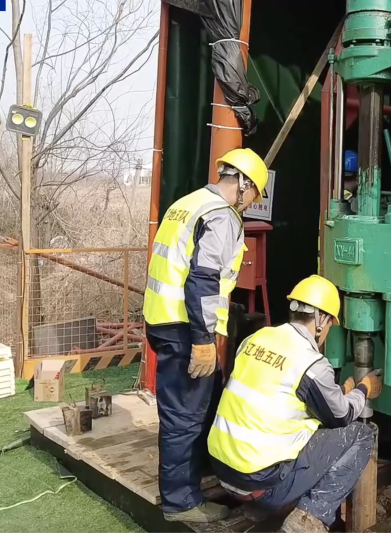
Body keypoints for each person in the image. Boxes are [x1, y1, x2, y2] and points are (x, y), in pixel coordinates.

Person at [143, 147, 269, 523]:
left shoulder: (187, 204)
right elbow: (202, 278)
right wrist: (203, 340)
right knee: (184, 417)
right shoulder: (221, 215)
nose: (250, 203)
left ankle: (196, 479)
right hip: (185, 328)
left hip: (162, 319)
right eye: (253, 195)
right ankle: (180, 503)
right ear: (244, 184)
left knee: (201, 402)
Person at [207, 275, 384, 533]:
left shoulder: (256, 338)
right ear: (321, 320)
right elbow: (341, 416)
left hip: (223, 470)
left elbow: (279, 394)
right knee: (361, 434)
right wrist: (363, 389)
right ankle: (308, 520)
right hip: (262, 484)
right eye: (331, 324)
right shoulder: (311, 363)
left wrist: (342, 391)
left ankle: (265, 506)